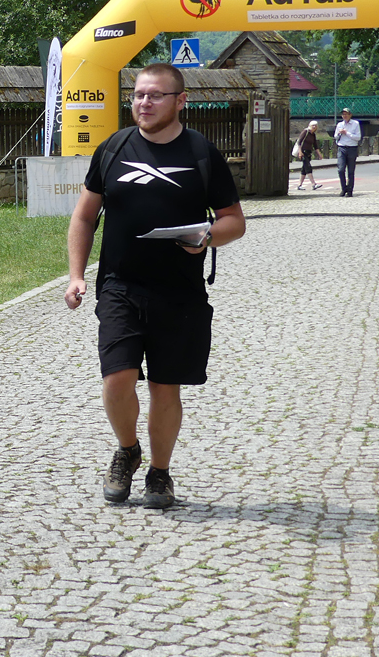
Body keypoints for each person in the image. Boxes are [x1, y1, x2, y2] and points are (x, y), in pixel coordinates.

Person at [64, 63, 246, 509]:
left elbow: (234, 222)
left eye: (155, 95)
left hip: (180, 293)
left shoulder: (202, 153)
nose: (143, 103)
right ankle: (127, 450)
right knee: (116, 379)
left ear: (180, 101)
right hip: (120, 287)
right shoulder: (113, 149)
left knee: (166, 388)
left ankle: (160, 474)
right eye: (139, 95)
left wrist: (206, 236)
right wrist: (76, 275)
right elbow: (84, 217)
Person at [334, 107, 362, 196]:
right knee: (340, 169)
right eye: (343, 114)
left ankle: (350, 190)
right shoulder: (339, 124)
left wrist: (347, 133)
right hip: (341, 147)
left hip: (352, 148)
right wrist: (339, 133)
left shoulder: (355, 124)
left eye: (346, 114)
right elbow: (335, 136)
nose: (345, 116)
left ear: (350, 115)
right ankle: (343, 188)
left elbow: (358, 137)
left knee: (350, 171)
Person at [296, 120, 324, 191]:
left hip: (308, 153)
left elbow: (315, 145)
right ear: (309, 126)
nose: (314, 127)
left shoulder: (313, 134)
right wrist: (300, 152)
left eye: (315, 125)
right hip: (303, 152)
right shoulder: (305, 132)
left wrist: (319, 154)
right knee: (308, 167)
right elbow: (299, 142)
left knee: (304, 170)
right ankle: (313, 184)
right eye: (313, 125)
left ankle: (299, 185)